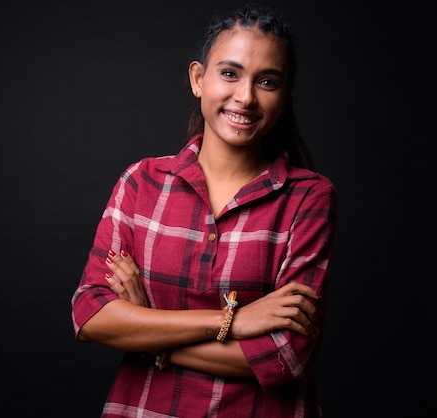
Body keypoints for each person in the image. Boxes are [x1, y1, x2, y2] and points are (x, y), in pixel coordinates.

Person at [70, 3, 337, 417]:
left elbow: (287, 356)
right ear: (198, 79)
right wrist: (233, 320)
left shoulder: (308, 197)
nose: (245, 97)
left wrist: (149, 332)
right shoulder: (142, 182)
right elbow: (90, 316)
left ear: (285, 97)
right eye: (229, 73)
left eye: (267, 81)